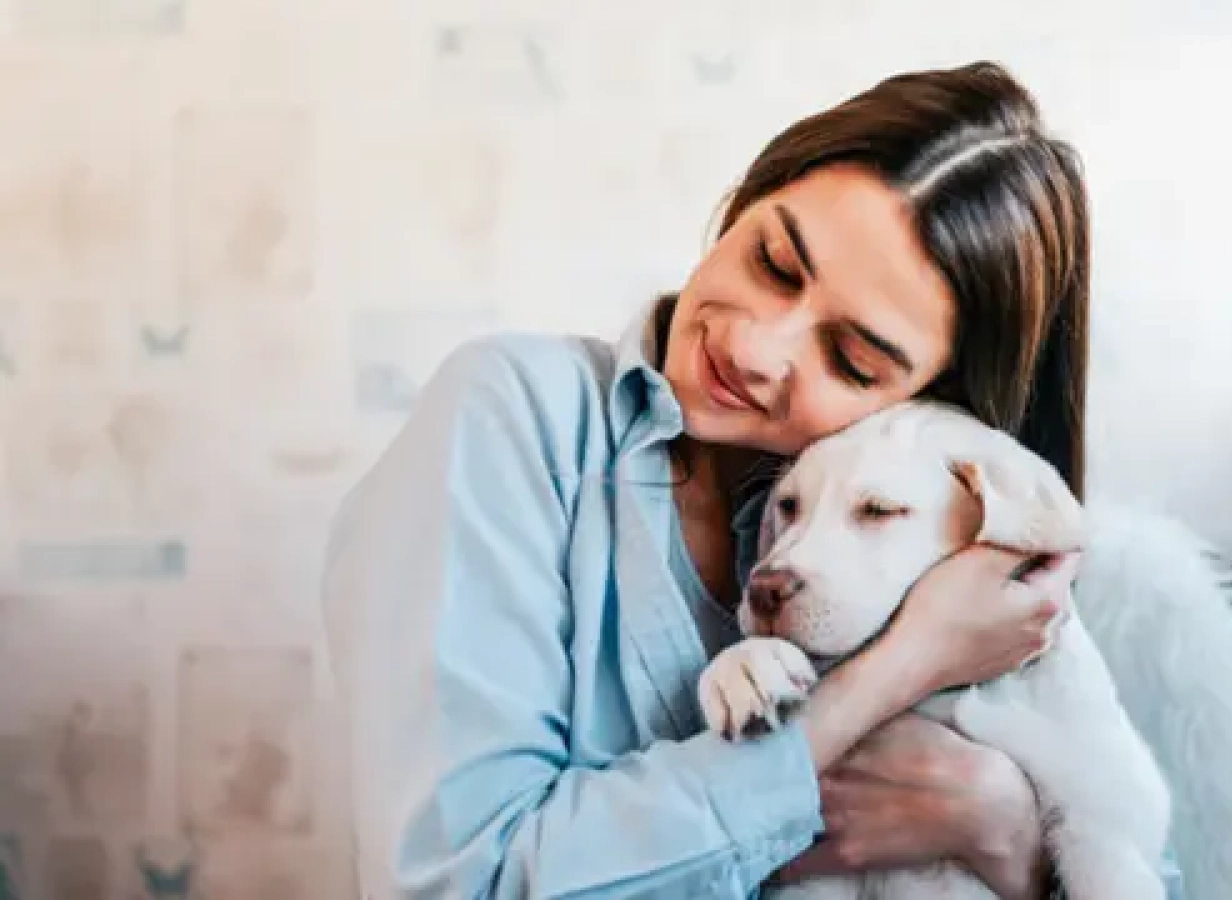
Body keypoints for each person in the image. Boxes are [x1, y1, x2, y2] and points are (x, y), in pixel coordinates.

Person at [322, 61, 1184, 899]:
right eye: (774, 261)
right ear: (747, 200)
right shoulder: (516, 416)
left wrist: (1003, 830)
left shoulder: (962, 532)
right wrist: (892, 675)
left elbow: (1145, 857)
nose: (754, 347)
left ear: (931, 406)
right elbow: (455, 884)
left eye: (849, 358)